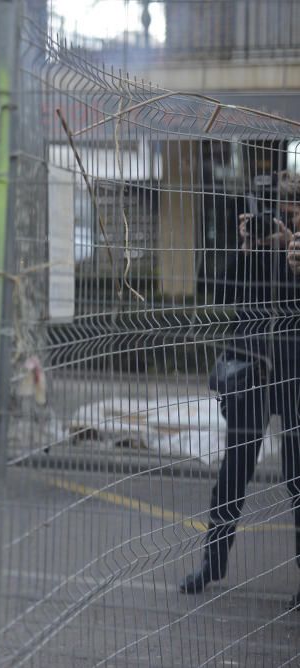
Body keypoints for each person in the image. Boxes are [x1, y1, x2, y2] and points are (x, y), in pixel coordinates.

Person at [181, 173, 300, 609]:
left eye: (286, 212)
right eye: (271, 211)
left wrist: (292, 252)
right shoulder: (253, 246)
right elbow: (219, 292)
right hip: (250, 366)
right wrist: (245, 248)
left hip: (293, 371)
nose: (275, 221)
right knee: (234, 471)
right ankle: (212, 563)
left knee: (297, 473)